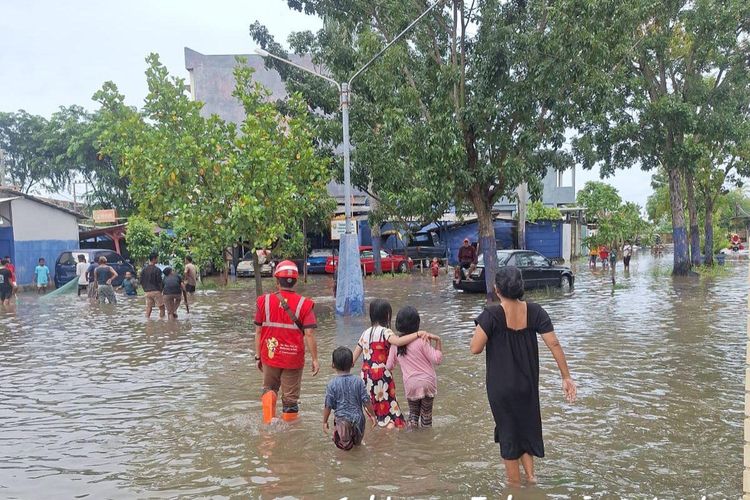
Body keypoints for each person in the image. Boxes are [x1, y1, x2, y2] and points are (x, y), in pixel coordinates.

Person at [470, 266, 576, 486]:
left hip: (501, 388)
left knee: (509, 435)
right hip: (527, 384)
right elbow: (554, 343)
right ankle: (531, 478)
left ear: (497, 289)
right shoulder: (536, 311)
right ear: (521, 287)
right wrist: (566, 377)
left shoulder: (492, 314)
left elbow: (475, 348)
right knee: (525, 429)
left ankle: (515, 487)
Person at [255, 260, 319, 423]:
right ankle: (290, 436)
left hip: (270, 355)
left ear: (277, 280)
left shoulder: (263, 301)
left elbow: (258, 331)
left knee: (269, 389)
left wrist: (258, 356)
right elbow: (309, 334)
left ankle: (269, 426)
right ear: (296, 281)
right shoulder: (306, 304)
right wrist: (315, 359)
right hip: (292, 358)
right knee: (290, 399)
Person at [352, 299, 428, 429]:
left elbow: (353, 359)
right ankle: (390, 432)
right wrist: (417, 334)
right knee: (388, 407)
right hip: (382, 375)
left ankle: (377, 434)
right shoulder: (385, 332)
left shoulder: (365, 333)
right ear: (387, 315)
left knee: (375, 406)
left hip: (365, 376)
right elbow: (398, 342)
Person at [386, 306, 442, 428]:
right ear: (417, 324)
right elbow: (437, 359)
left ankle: (412, 442)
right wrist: (438, 341)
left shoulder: (395, 345)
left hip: (410, 384)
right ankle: (427, 443)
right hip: (428, 382)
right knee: (426, 416)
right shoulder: (422, 341)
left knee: (413, 416)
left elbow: (389, 366)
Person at [323, 346, 377, 450]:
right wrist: (373, 415)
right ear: (352, 364)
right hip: (359, 419)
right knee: (358, 446)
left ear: (333, 365)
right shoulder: (358, 381)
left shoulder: (332, 384)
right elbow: (366, 401)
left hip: (342, 422)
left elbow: (328, 405)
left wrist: (325, 422)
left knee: (345, 450)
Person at [141, 252, 165, 319]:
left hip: (147, 292)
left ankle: (147, 321)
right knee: (162, 307)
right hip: (156, 291)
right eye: (157, 258)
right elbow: (160, 281)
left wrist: (145, 289)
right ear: (154, 259)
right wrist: (161, 290)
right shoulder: (157, 270)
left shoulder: (144, 270)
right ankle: (162, 321)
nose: (158, 260)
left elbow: (141, 281)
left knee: (149, 308)